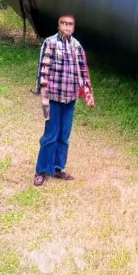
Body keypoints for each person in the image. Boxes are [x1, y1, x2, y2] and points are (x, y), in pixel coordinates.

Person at [33, 14, 94, 186]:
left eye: (70, 24)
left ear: (73, 27)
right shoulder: (50, 43)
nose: (67, 26)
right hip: (53, 98)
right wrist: (43, 99)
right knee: (50, 135)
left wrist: (88, 94)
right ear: (59, 25)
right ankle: (41, 171)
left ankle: (58, 168)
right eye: (64, 23)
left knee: (64, 136)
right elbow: (43, 70)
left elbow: (83, 72)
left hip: (70, 99)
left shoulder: (76, 46)